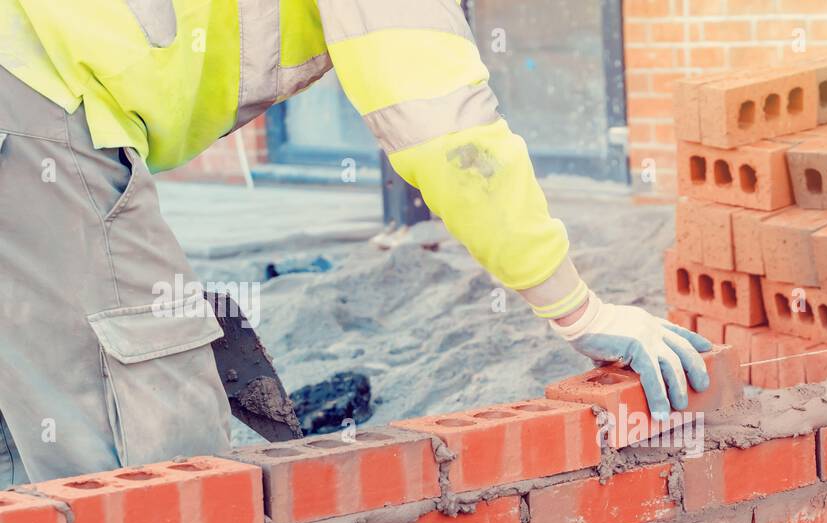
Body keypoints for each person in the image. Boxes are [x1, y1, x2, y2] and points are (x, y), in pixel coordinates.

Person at [0, 0, 711, 486]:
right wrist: (579, 311)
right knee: (156, 467)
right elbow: (446, 132)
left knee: (35, 403)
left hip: (34, 84)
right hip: (34, 94)